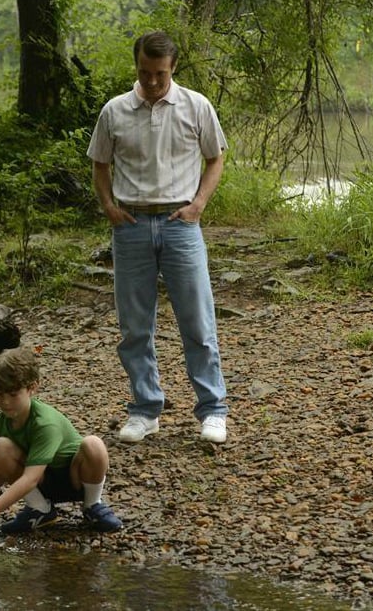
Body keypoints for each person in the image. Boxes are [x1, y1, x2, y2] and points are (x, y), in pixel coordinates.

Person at [86, 30, 228, 444]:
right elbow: (100, 164)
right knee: (134, 327)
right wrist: (109, 208)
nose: (151, 82)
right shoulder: (115, 111)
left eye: (160, 74)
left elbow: (216, 157)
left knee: (197, 322)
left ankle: (213, 410)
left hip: (181, 223)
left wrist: (199, 204)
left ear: (173, 68)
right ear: (137, 66)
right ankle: (145, 409)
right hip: (130, 226)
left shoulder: (196, 105)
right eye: (145, 73)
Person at [0, 346, 123, 535]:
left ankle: (92, 505)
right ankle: (40, 509)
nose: (6, 402)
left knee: (94, 444)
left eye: (13, 394)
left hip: (76, 480)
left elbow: (29, 479)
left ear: (32, 387)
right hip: (42, 484)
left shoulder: (44, 423)